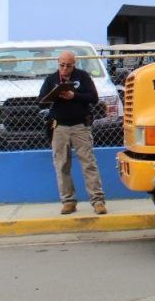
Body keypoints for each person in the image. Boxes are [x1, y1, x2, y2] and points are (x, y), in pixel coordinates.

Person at [38, 50, 107, 215]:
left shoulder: (82, 77)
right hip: (59, 127)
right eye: (62, 65)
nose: (64, 68)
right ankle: (68, 201)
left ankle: (98, 200)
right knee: (62, 165)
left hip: (80, 126)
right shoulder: (51, 79)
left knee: (88, 163)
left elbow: (93, 97)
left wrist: (73, 96)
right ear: (58, 63)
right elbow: (40, 101)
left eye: (68, 66)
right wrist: (54, 96)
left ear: (74, 64)